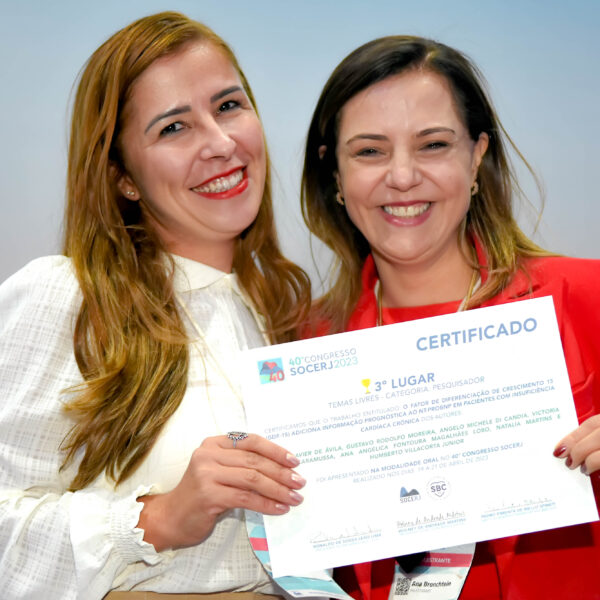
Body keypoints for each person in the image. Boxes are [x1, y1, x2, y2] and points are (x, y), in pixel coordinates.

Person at [0, 11, 312, 600]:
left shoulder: (282, 313)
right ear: (124, 178)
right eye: (174, 128)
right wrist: (160, 518)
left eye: (228, 106)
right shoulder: (67, 297)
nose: (220, 143)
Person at [301, 36, 600, 600]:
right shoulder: (306, 346)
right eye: (369, 152)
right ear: (334, 173)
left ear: (477, 154)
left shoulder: (588, 297)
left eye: (433, 145)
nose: (402, 176)